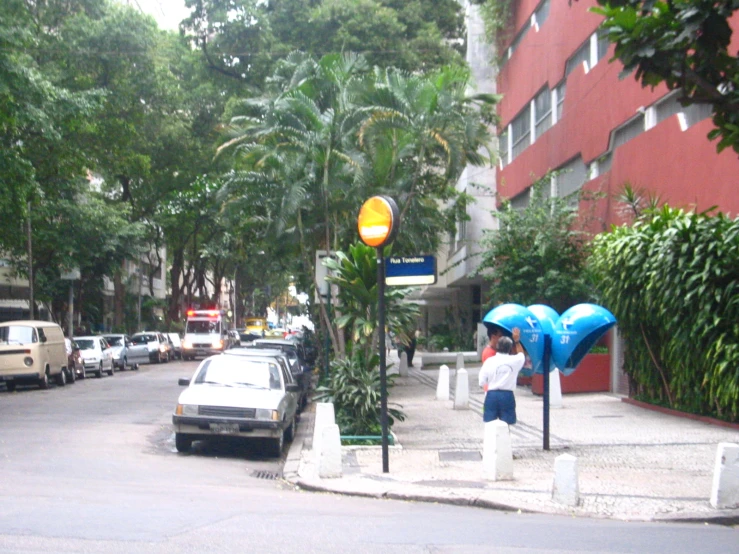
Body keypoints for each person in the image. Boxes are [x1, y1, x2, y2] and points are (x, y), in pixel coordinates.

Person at [478, 327, 526, 425]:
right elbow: (522, 355)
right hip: (507, 395)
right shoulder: (514, 361)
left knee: (490, 424)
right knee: (506, 424)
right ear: (509, 348)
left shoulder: (489, 361)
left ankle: (491, 440)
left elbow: (481, 382)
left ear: (498, 346)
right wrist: (517, 341)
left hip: (492, 395)